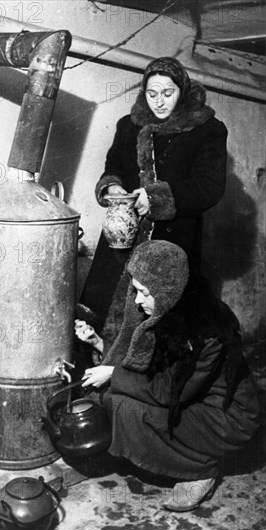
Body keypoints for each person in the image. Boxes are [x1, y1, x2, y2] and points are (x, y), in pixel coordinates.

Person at [75, 240, 260, 511]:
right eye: (135, 290)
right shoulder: (168, 307)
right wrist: (98, 343)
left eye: (144, 292)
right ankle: (181, 452)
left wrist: (113, 373)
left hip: (228, 418)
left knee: (126, 409)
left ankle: (198, 470)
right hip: (194, 401)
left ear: (165, 290)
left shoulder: (205, 329)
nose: (137, 300)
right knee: (113, 399)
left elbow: (167, 391)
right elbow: (144, 363)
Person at [80, 57, 228, 330]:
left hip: (172, 237)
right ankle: (100, 362)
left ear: (182, 92)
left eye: (167, 93)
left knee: (161, 318)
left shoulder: (207, 130)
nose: (159, 101)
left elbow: (210, 186)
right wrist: (112, 187)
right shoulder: (128, 125)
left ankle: (146, 372)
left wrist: (156, 198)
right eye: (151, 93)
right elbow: (112, 166)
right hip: (123, 232)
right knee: (106, 307)